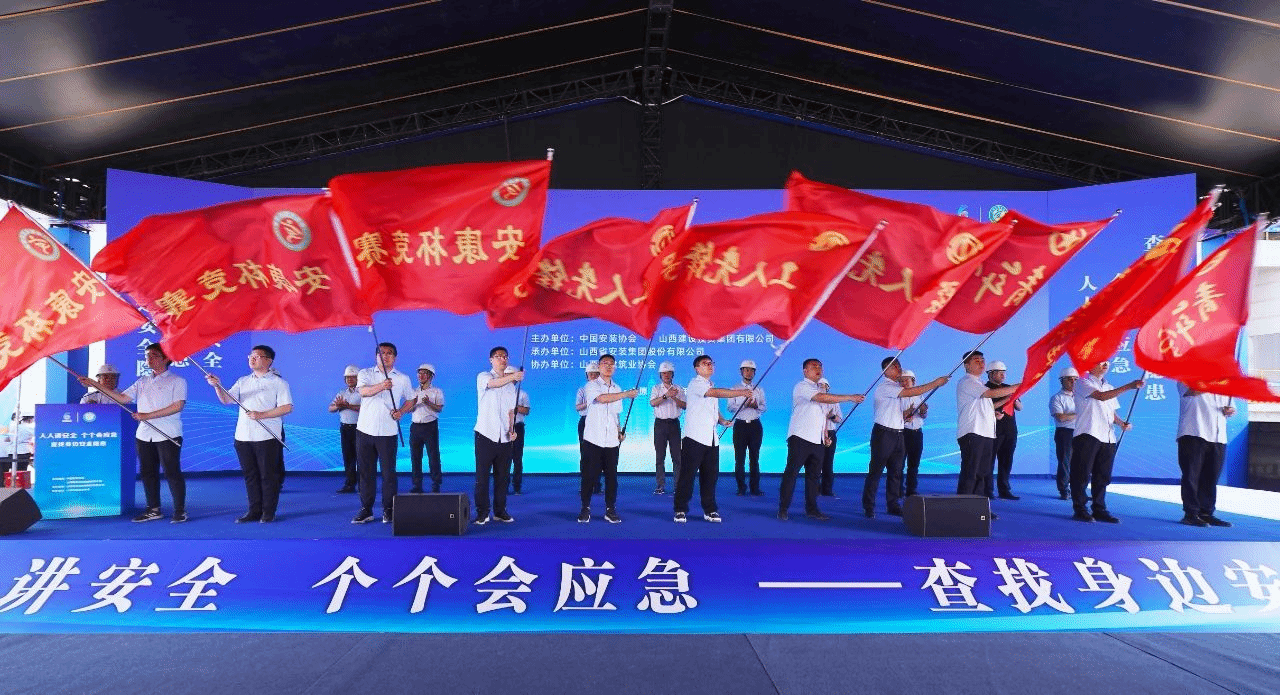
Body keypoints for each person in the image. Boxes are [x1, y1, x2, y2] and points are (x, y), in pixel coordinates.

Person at [80, 343, 188, 523]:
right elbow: (122, 398)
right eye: (147, 356)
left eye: (153, 355)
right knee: (147, 472)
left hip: (168, 433)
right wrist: (94, 384)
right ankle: (153, 509)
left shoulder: (177, 381)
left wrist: (147, 415)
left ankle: (180, 510)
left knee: (172, 472)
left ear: (166, 358)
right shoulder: (142, 381)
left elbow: (178, 406)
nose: (149, 359)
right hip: (144, 434)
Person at [206, 345, 292, 523]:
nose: (252, 359)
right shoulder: (243, 381)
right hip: (243, 436)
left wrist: (262, 415)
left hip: (267, 437)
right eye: (250, 356)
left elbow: (286, 407)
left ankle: (268, 512)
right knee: (250, 476)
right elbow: (227, 400)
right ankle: (254, 510)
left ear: (268, 360)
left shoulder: (279, 383)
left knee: (268, 475)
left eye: (257, 356)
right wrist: (217, 386)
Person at [779, 361, 865, 521]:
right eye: (814, 367)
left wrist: (825, 436)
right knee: (792, 474)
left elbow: (823, 418)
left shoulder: (820, 391)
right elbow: (820, 398)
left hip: (818, 441)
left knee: (813, 477)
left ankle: (812, 509)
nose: (818, 369)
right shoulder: (802, 386)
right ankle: (783, 509)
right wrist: (850, 397)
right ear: (805, 371)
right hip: (800, 437)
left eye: (820, 367)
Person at [866, 357, 948, 518]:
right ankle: (868, 506)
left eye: (899, 365)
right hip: (883, 434)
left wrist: (910, 413)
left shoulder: (897, 389)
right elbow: (912, 392)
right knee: (876, 471)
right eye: (893, 366)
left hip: (899, 433)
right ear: (885, 371)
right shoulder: (885, 387)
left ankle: (893, 505)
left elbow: (899, 412)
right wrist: (936, 383)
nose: (898, 368)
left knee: (896, 472)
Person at [673, 355, 751, 523]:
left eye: (711, 363)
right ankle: (680, 509)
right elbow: (715, 394)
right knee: (687, 476)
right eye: (705, 364)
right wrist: (741, 392)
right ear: (697, 368)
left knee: (710, 477)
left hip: (712, 439)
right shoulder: (695, 383)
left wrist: (722, 421)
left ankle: (710, 510)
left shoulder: (710, 385)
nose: (709, 366)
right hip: (694, 438)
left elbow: (713, 408)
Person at [1070, 359, 1143, 523]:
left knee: (1102, 476)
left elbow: (1111, 411)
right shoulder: (1082, 382)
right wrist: (1129, 386)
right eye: (1100, 362)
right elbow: (1101, 397)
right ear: (1090, 365)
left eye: (1107, 362)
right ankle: (1080, 509)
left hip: (1108, 437)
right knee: (1081, 474)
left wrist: (1121, 423)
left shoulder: (1109, 386)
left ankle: (1099, 509)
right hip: (1088, 434)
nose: (1105, 365)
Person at [352, 343, 414, 525]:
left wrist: (401, 412)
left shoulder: (402, 378)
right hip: (365, 430)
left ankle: (389, 510)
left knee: (389, 474)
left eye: (389, 353)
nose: (385, 356)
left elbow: (411, 399)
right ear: (376, 356)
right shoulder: (365, 374)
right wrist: (382, 386)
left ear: (395, 357)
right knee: (366, 473)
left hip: (388, 433)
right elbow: (363, 392)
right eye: (381, 353)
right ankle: (366, 509)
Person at [578, 353, 643, 523]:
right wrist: (626, 394)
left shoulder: (617, 387)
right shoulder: (591, 385)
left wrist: (619, 431)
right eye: (605, 363)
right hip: (593, 439)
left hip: (612, 441)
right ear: (599, 366)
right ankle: (585, 508)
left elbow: (616, 413)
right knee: (589, 476)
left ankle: (610, 509)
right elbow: (601, 399)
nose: (608, 366)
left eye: (611, 364)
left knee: (612, 478)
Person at [955, 350, 1017, 520]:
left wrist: (994, 413)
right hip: (973, 433)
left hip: (986, 433)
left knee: (982, 473)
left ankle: (980, 509)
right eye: (976, 360)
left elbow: (986, 405)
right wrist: (1019, 386)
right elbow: (990, 394)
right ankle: (963, 510)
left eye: (982, 360)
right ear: (966, 365)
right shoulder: (967, 381)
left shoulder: (980, 383)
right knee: (971, 472)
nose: (981, 363)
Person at [1175, 383, 1235, 527]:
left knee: (1211, 477)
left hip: (1218, 436)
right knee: (1191, 476)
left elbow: (1231, 408)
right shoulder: (1187, 377)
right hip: (1194, 432)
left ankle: (1206, 513)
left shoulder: (1225, 385)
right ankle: (1191, 514)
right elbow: (1193, 391)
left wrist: (1229, 410)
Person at [474, 346, 522, 525]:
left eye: (505, 356)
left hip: (505, 438)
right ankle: (482, 513)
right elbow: (493, 384)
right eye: (499, 356)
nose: (503, 359)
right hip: (485, 435)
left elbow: (510, 411)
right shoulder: (484, 376)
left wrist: (512, 429)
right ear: (491, 360)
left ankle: (500, 511)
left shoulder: (510, 387)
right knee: (482, 478)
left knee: (502, 478)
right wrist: (514, 376)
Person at [728, 359, 767, 496]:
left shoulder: (759, 389)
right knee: (739, 458)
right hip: (740, 425)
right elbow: (730, 407)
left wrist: (756, 406)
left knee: (754, 458)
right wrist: (744, 405)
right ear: (741, 372)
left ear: (754, 373)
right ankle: (741, 487)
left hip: (755, 425)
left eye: (751, 370)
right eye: (746, 370)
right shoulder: (734, 389)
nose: (749, 372)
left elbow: (764, 407)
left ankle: (755, 488)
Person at [986, 360, 1022, 500]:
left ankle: (1004, 490)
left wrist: (1014, 398)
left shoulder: (1009, 388)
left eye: (1004, 373)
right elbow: (988, 408)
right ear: (991, 374)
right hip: (993, 431)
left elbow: (1019, 408)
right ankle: (988, 490)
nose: (1003, 375)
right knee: (989, 462)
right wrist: (1007, 398)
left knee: (1006, 461)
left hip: (1010, 430)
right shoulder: (986, 389)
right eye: (999, 373)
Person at [408, 363, 445, 494]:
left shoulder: (437, 391)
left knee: (433, 456)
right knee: (415, 457)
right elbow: (409, 409)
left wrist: (428, 403)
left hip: (430, 426)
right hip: (415, 427)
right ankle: (417, 484)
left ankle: (436, 483)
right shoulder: (413, 391)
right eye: (419, 373)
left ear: (431, 376)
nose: (421, 376)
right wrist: (414, 404)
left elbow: (439, 408)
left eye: (424, 373)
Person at [650, 361, 685, 495]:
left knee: (677, 457)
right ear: (660, 375)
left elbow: (685, 405)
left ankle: (678, 486)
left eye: (669, 373)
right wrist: (666, 395)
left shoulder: (679, 389)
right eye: (663, 373)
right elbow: (653, 403)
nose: (666, 375)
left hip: (674, 424)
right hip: (660, 424)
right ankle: (660, 485)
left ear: (672, 374)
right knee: (660, 456)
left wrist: (674, 397)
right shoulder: (656, 388)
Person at [328, 365, 362, 493]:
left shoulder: (363, 392)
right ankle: (349, 484)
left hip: (359, 429)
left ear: (358, 378)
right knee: (348, 457)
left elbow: (364, 409)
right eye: (347, 377)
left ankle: (364, 485)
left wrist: (347, 406)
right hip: (345, 429)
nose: (350, 379)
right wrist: (338, 406)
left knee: (362, 458)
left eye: (352, 377)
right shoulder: (342, 393)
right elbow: (330, 408)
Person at [1049, 367, 1078, 500]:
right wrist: (1079, 414)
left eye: (1075, 379)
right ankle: (1064, 490)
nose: (1073, 382)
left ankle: (1077, 490)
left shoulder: (1081, 397)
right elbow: (1060, 417)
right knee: (1065, 462)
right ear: (1062, 381)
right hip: (1065, 433)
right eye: (1069, 379)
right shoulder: (1057, 398)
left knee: (1080, 463)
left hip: (1081, 431)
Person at [900, 370, 927, 497]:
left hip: (917, 433)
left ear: (913, 381)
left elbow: (923, 416)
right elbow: (895, 415)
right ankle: (898, 489)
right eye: (902, 380)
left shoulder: (919, 395)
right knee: (899, 463)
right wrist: (905, 415)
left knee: (914, 463)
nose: (904, 383)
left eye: (907, 380)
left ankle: (911, 489)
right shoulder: (899, 396)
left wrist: (923, 411)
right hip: (903, 432)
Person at [575, 362, 601, 495]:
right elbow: (578, 407)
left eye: (596, 374)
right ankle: (585, 484)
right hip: (585, 421)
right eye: (591, 374)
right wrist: (589, 401)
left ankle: (597, 485)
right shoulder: (582, 390)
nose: (593, 376)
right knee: (585, 454)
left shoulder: (603, 389)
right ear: (587, 376)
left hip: (599, 421)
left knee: (598, 455)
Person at [817, 378, 842, 497]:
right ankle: (814, 488)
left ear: (828, 387)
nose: (822, 387)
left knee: (828, 462)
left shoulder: (834, 401)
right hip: (815, 433)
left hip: (830, 433)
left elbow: (839, 419)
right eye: (819, 385)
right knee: (815, 462)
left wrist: (832, 416)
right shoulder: (813, 400)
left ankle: (827, 489)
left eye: (824, 385)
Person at [510, 381, 530, 494]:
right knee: (503, 458)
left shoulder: (522, 394)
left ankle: (517, 486)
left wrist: (516, 408)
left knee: (517, 458)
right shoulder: (500, 394)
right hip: (504, 428)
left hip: (518, 427)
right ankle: (503, 486)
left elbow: (526, 410)